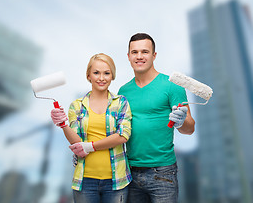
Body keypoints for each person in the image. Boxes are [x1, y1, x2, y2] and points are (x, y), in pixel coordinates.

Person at [118, 33, 195, 203]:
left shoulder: (172, 85)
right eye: (135, 52)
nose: (139, 56)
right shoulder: (123, 91)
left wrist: (181, 121)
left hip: (162, 173)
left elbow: (189, 129)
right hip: (129, 172)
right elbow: (117, 131)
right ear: (129, 56)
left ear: (154, 55)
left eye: (145, 52)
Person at [51, 53, 132, 203]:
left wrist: (90, 146)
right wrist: (63, 125)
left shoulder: (121, 103)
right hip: (85, 180)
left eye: (106, 73)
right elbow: (77, 142)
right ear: (89, 76)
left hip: (116, 181)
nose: (101, 78)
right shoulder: (77, 105)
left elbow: (123, 135)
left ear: (112, 76)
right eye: (96, 73)